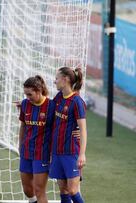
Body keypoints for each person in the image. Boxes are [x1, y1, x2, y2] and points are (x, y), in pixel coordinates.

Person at [49, 67, 87, 203]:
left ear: (65, 80)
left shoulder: (77, 102)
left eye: (57, 78)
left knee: (72, 190)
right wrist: (26, 106)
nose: (55, 81)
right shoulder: (59, 97)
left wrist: (82, 154)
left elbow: (83, 129)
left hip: (71, 152)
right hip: (57, 151)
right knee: (63, 189)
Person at [18, 75, 55, 203]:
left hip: (42, 153)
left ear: (39, 91)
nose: (27, 98)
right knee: (27, 190)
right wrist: (20, 145)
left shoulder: (51, 106)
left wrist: (76, 131)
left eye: (30, 94)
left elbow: (63, 122)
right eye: (26, 95)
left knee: (39, 190)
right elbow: (23, 126)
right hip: (26, 151)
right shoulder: (25, 104)